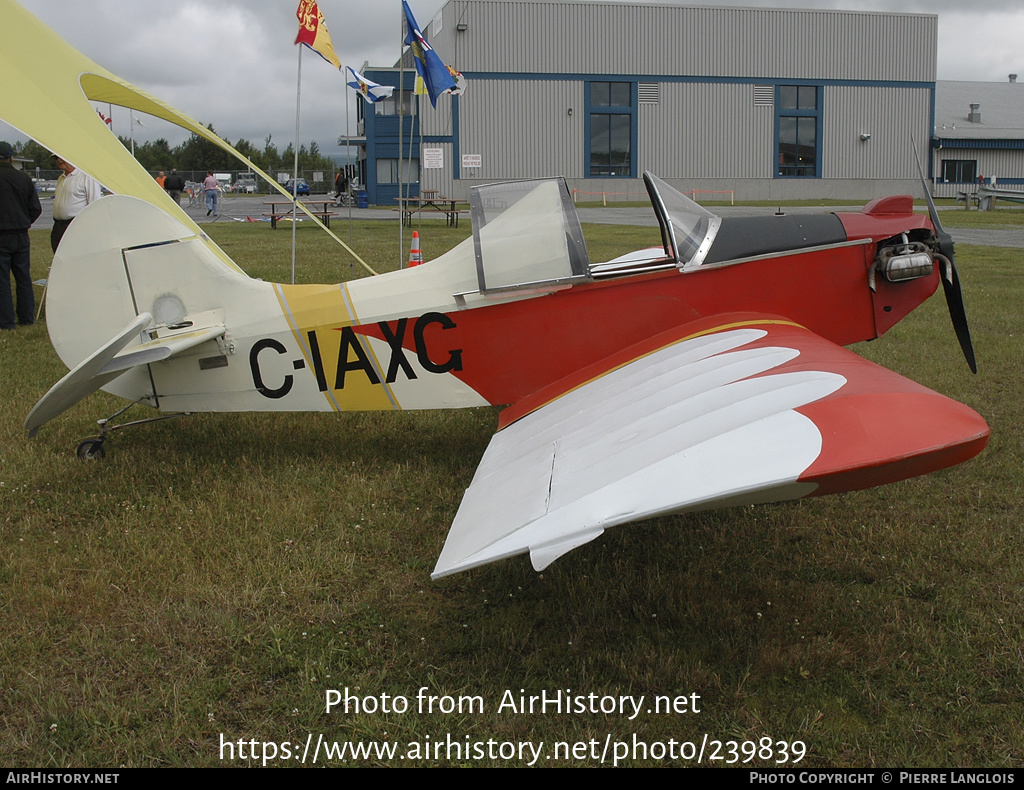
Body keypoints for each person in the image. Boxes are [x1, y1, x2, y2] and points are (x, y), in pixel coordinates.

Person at [0, 141, 42, 329]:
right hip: (21, 234)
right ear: (11, 158)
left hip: (1, 235)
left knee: (2, 280)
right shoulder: (23, 179)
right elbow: (35, 208)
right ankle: (26, 318)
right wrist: (24, 221)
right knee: (23, 277)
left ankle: (6, 321)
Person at [51, 155, 102, 252]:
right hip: (58, 226)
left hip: (75, 226)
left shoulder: (86, 177)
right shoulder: (61, 179)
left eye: (61, 157)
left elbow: (95, 205)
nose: (59, 160)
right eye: (56, 158)